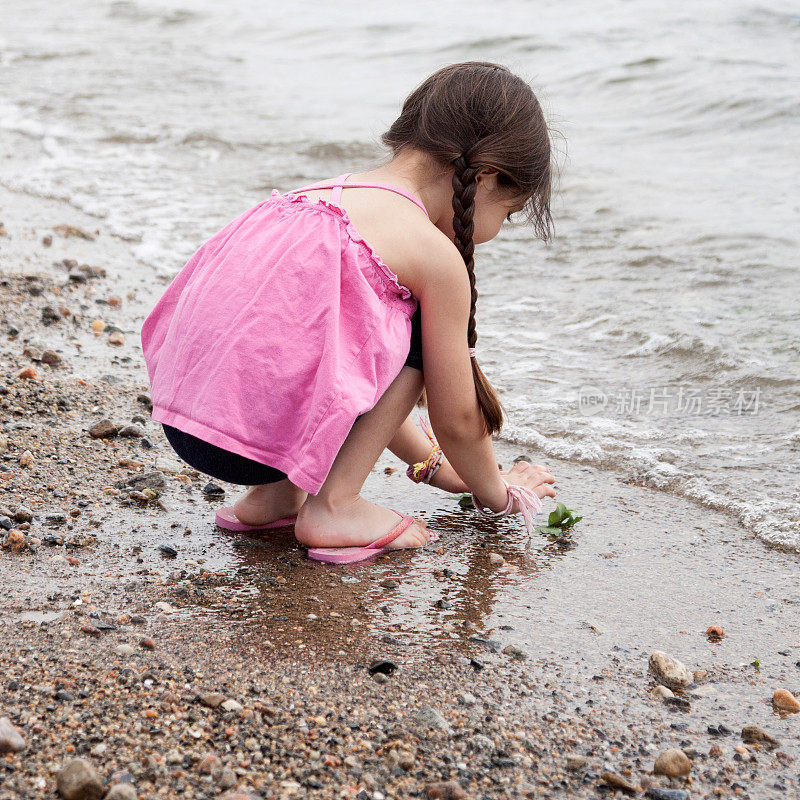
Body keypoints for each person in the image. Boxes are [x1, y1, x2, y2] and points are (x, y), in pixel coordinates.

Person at [141, 61, 558, 563]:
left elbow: (347, 376)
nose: (497, 228)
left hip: (186, 422)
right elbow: (458, 420)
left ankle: (275, 497)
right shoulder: (434, 258)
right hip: (249, 438)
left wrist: (438, 470)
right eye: (509, 213)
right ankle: (334, 507)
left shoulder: (309, 199)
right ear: (486, 176)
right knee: (408, 324)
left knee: (321, 330)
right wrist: (500, 493)